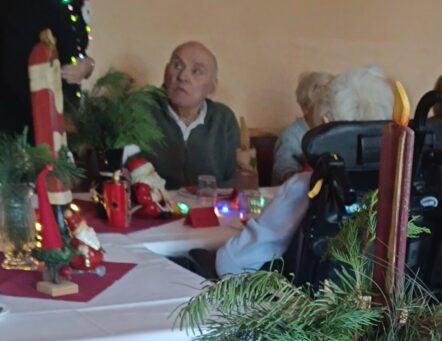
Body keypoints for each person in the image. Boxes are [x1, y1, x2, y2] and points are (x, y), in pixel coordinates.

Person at [216, 66, 394, 278]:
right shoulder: (405, 186)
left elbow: (231, 263)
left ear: (325, 125)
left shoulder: (309, 188)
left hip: (319, 298)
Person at [146, 40, 239, 190]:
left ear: (212, 87)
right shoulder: (142, 113)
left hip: (210, 203)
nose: (183, 76)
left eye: (197, 71)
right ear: (165, 73)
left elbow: (234, 182)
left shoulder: (223, 119)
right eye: (177, 66)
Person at [0, 0, 94, 135]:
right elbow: (14, 62)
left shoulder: (75, 5)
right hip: (23, 120)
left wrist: (88, 65)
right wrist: (52, 115)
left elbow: (75, 50)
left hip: (61, 115)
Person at [272, 71, 332, 184]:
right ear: (306, 107)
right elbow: (286, 174)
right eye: (322, 106)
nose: (328, 112)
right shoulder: (290, 136)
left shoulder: (331, 133)